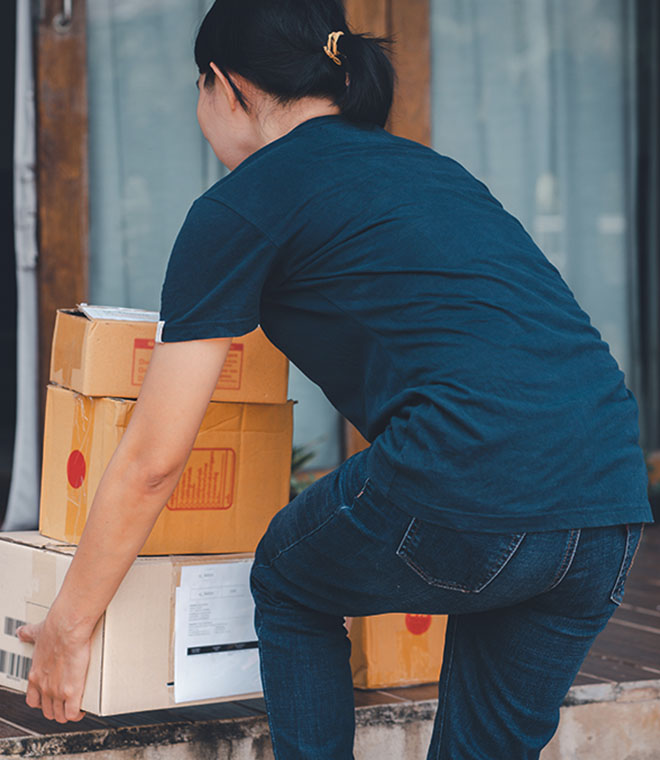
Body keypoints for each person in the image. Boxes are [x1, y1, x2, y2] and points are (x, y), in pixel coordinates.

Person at [17, 1, 653, 758]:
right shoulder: (429, 168)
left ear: (227, 87)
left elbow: (154, 460)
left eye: (197, 88)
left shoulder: (242, 204)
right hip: (607, 500)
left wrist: (66, 628)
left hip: (471, 477)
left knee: (290, 579)